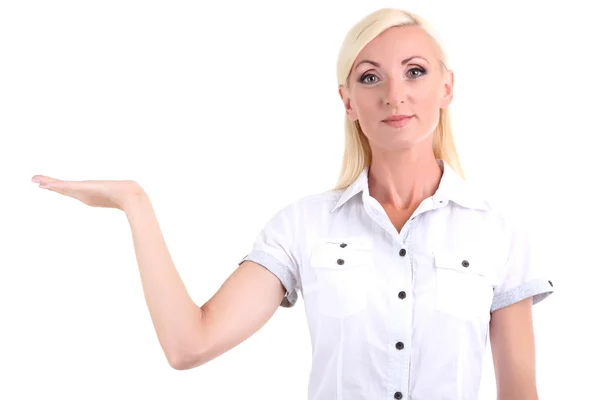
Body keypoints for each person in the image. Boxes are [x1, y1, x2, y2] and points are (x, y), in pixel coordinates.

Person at [31, 7, 554, 400]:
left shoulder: (499, 233)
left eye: (415, 71)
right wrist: (134, 203)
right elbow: (188, 345)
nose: (395, 94)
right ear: (348, 100)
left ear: (447, 87)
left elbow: (519, 393)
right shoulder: (303, 226)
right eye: (370, 76)